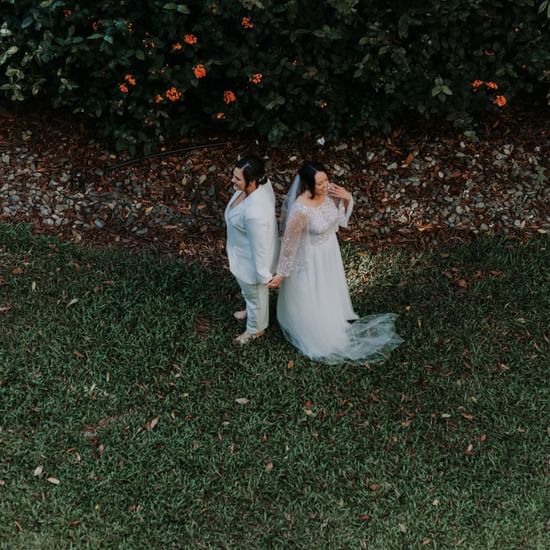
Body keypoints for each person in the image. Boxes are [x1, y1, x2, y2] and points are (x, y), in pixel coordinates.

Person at [267, 161, 402, 363]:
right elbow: (289, 244)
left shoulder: (330, 192)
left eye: (326, 180)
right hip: (311, 258)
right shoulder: (300, 210)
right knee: (315, 291)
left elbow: (339, 220)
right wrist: (281, 273)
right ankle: (313, 326)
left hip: (330, 251)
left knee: (329, 288)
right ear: (307, 185)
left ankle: (333, 314)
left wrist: (348, 198)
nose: (325, 186)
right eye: (319, 183)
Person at [224, 155, 279, 345]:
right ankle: (250, 308)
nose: (232, 180)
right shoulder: (261, 184)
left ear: (253, 181)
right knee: (250, 294)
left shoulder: (255, 214)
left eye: (237, 178)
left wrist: (263, 275)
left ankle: (256, 329)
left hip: (251, 263)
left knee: (256, 294)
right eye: (234, 176)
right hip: (241, 254)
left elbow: (261, 247)